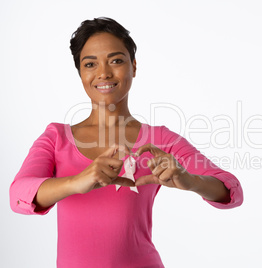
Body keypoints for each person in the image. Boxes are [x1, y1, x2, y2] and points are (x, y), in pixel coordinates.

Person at [9, 17, 243, 268]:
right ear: (80, 72)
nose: (104, 73)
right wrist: (77, 181)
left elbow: (232, 191)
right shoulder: (56, 138)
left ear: (133, 66)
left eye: (116, 60)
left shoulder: (161, 140)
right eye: (90, 64)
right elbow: (18, 196)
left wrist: (192, 181)